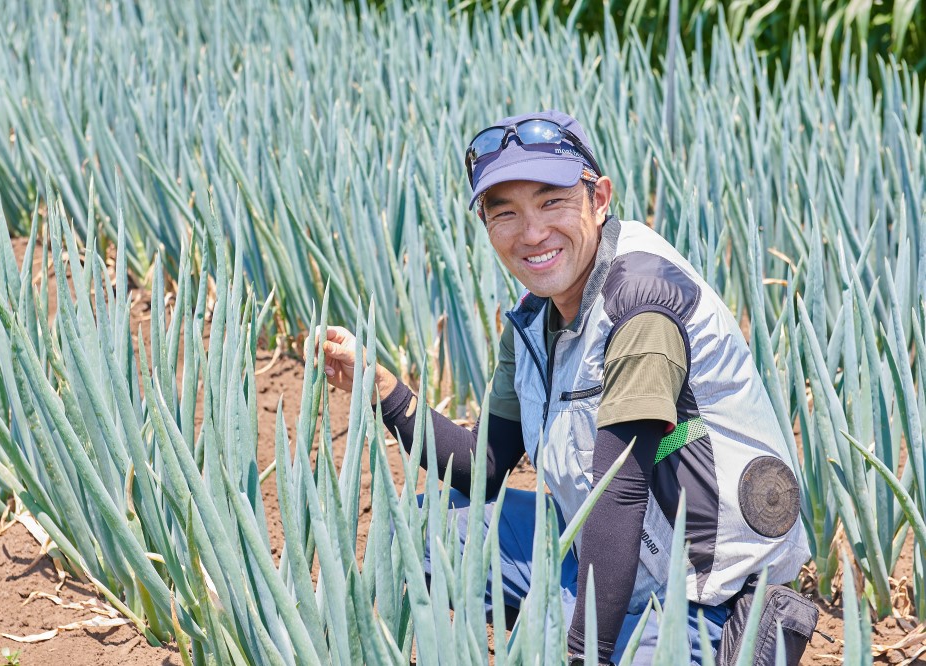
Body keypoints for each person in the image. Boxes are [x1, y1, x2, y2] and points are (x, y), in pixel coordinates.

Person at [320, 110, 810, 664]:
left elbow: (619, 494)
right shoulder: (535, 318)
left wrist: (582, 654)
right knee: (415, 530)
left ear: (598, 198)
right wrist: (383, 388)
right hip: (605, 558)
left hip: (706, 600)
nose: (532, 233)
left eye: (552, 201)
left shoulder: (640, 305)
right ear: (486, 225)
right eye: (505, 212)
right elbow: (482, 465)